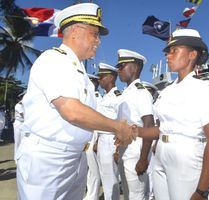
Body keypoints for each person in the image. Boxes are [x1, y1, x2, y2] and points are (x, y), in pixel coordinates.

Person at [16, 3, 134, 200]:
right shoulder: (54, 60)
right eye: (94, 33)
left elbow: (87, 117)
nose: (98, 41)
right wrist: (117, 127)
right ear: (75, 31)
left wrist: (122, 128)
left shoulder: (80, 73)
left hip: (75, 158)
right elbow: (72, 111)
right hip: (48, 159)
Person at [135, 28, 209, 200]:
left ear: (192, 54)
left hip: (187, 156)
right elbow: (160, 130)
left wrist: (202, 191)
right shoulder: (167, 90)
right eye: (168, 51)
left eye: (174, 50)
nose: (168, 55)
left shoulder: (203, 88)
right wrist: (133, 131)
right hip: (162, 152)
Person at [116, 49, 155, 200]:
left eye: (122, 66)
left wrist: (144, 158)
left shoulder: (141, 93)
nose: (118, 70)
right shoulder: (126, 93)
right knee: (127, 194)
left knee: (136, 196)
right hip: (124, 149)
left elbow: (149, 125)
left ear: (135, 67)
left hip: (136, 150)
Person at [96, 62, 122, 200]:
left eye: (102, 76)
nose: (99, 79)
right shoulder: (104, 96)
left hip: (110, 141)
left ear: (111, 78)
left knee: (111, 180)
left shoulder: (117, 97)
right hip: (102, 140)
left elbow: (121, 122)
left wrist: (117, 149)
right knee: (105, 178)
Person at [84, 73, 102, 200]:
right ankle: (89, 193)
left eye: (92, 82)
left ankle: (93, 195)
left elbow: (98, 121)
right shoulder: (85, 96)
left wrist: (96, 141)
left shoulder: (97, 98)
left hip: (92, 138)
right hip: (83, 138)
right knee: (85, 170)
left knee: (94, 170)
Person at [13, 91, 26, 162]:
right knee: (18, 141)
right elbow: (24, 115)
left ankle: (21, 157)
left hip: (23, 124)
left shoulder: (25, 105)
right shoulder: (18, 105)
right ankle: (16, 159)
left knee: (23, 141)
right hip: (18, 124)